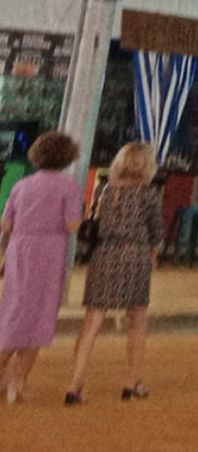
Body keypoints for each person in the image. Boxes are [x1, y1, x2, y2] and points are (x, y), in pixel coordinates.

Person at [64, 142, 166, 404]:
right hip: (135, 256)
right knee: (137, 319)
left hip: (104, 256)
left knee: (92, 321)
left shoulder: (104, 190)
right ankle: (131, 382)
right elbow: (156, 233)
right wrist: (153, 256)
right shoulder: (149, 195)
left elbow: (94, 225)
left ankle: (75, 384)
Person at [0, 132, 83, 403]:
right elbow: (72, 225)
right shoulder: (68, 187)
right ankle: (18, 382)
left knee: (13, 311)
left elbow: (6, 225)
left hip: (19, 251)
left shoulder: (21, 185)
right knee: (40, 314)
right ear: (67, 158)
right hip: (49, 254)